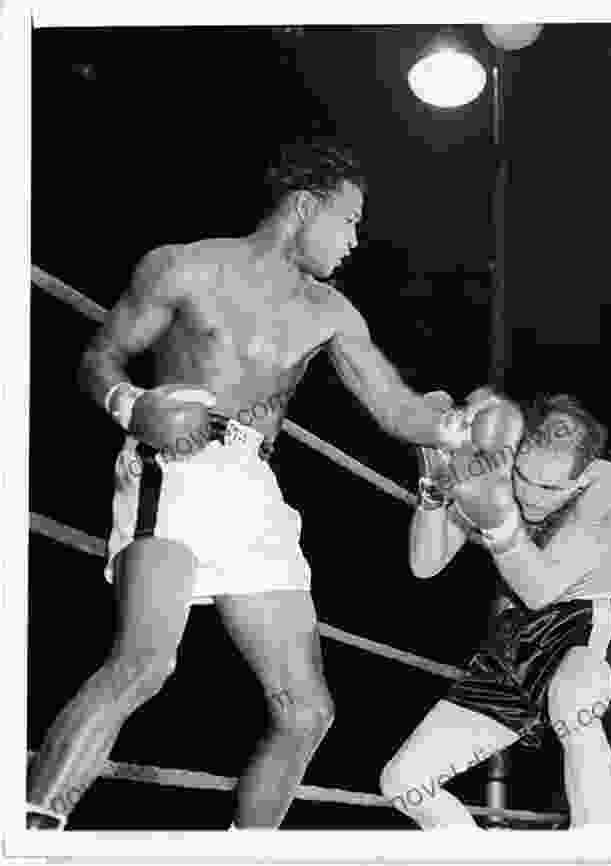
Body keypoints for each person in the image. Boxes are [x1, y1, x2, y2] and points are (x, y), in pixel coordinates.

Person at [26, 139, 493, 830]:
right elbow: (100, 357)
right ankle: (31, 832)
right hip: (175, 466)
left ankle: (245, 852)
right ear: (304, 207)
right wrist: (133, 404)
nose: (356, 240)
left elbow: (398, 411)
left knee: (307, 712)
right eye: (350, 220)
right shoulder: (183, 266)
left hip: (253, 487)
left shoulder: (331, 311)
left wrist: (461, 427)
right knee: (144, 663)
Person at [380, 390, 611, 830]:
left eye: (551, 487)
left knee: (572, 700)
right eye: (523, 476)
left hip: (581, 625)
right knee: (406, 782)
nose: (532, 495)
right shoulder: (498, 469)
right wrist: (436, 487)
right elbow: (425, 564)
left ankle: (596, 848)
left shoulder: (604, 484)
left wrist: (497, 520)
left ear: (580, 477)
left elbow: (540, 589)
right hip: (514, 644)